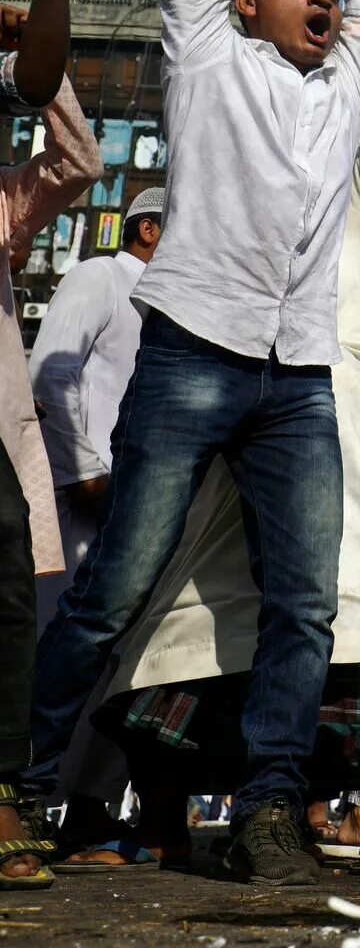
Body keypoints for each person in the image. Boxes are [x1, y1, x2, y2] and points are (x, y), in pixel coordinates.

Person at [26, 0, 360, 885]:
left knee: (305, 604)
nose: (321, 1)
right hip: (194, 351)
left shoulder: (346, 78)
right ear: (241, 0)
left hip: (298, 377)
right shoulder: (205, 49)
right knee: (114, 587)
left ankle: (268, 809)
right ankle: (23, 786)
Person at [0, 0, 97, 891]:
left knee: (7, 618)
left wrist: (44, 43)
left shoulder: (2, 206)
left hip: (1, 455)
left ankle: (3, 802)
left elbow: (79, 159)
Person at [24, 186, 162, 851]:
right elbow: (50, 373)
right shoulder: (99, 276)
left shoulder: (174, 305)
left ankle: (90, 806)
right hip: (86, 495)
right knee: (65, 641)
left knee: (128, 664)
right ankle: (25, 795)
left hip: (145, 500)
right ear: (149, 231)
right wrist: (82, 469)